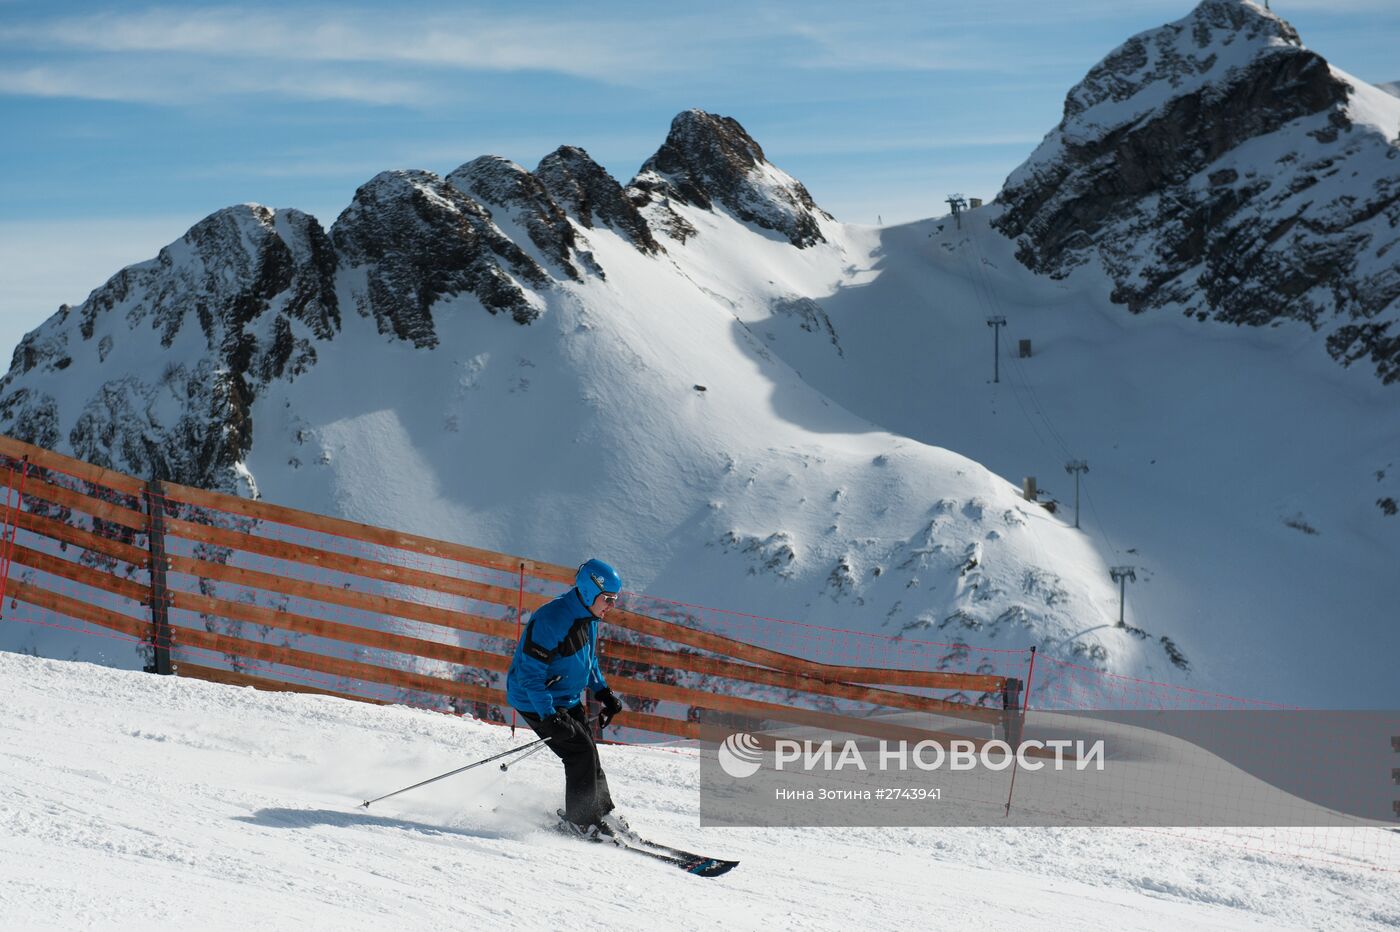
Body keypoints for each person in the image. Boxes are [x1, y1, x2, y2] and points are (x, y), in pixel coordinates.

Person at [506, 557, 629, 839]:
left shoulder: (589, 617)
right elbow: (530, 675)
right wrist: (549, 717)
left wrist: (603, 692)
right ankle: (580, 821)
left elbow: (587, 660)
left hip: (565, 696)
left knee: (589, 749)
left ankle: (600, 810)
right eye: (608, 599)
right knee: (579, 752)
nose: (612, 606)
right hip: (535, 697)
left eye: (615, 599)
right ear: (589, 592)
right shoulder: (552, 619)